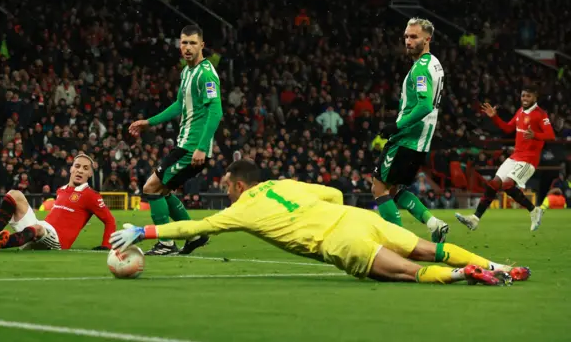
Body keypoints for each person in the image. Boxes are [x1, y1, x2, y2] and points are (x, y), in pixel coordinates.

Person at [110, 160, 531, 286]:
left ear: (239, 185)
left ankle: (463, 275)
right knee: (427, 247)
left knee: (410, 271)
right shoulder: (283, 182)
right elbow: (332, 194)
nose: (227, 190)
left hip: (339, 240)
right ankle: (498, 266)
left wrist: (142, 231)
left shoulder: (240, 209)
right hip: (355, 216)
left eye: (227, 185)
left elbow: (190, 227)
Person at [128, 24, 223, 255]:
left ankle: (166, 243)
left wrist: (201, 147)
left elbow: (216, 110)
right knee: (162, 190)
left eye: (192, 43)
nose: (187, 48)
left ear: (202, 44)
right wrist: (149, 122)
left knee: (152, 187)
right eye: (184, 43)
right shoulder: (187, 72)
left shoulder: (206, 73)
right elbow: (179, 105)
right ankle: (195, 234)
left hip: (192, 148)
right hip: (184, 145)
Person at [372, 17, 449, 243]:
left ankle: (399, 243)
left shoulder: (421, 70)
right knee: (393, 189)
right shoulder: (434, 63)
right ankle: (434, 224)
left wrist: (395, 125)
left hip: (407, 138)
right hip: (420, 141)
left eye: (413, 36)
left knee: (379, 188)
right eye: (406, 36)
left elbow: (425, 105)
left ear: (427, 39)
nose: (407, 41)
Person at [456, 87, 555, 231]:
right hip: (515, 156)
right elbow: (508, 128)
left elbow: (551, 135)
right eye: (523, 96)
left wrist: (535, 135)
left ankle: (534, 211)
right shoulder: (520, 111)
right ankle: (475, 218)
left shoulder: (540, 114)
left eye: (528, 96)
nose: (525, 99)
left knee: (508, 185)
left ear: (535, 97)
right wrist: (494, 117)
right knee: (493, 184)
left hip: (528, 159)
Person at [0, 153, 116, 252]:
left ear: (90, 174)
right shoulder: (62, 190)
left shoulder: (91, 195)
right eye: (77, 166)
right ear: (71, 168)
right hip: (40, 230)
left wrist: (106, 246)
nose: (80, 171)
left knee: (38, 228)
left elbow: (110, 220)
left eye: (85, 169)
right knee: (14, 194)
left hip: (57, 241)